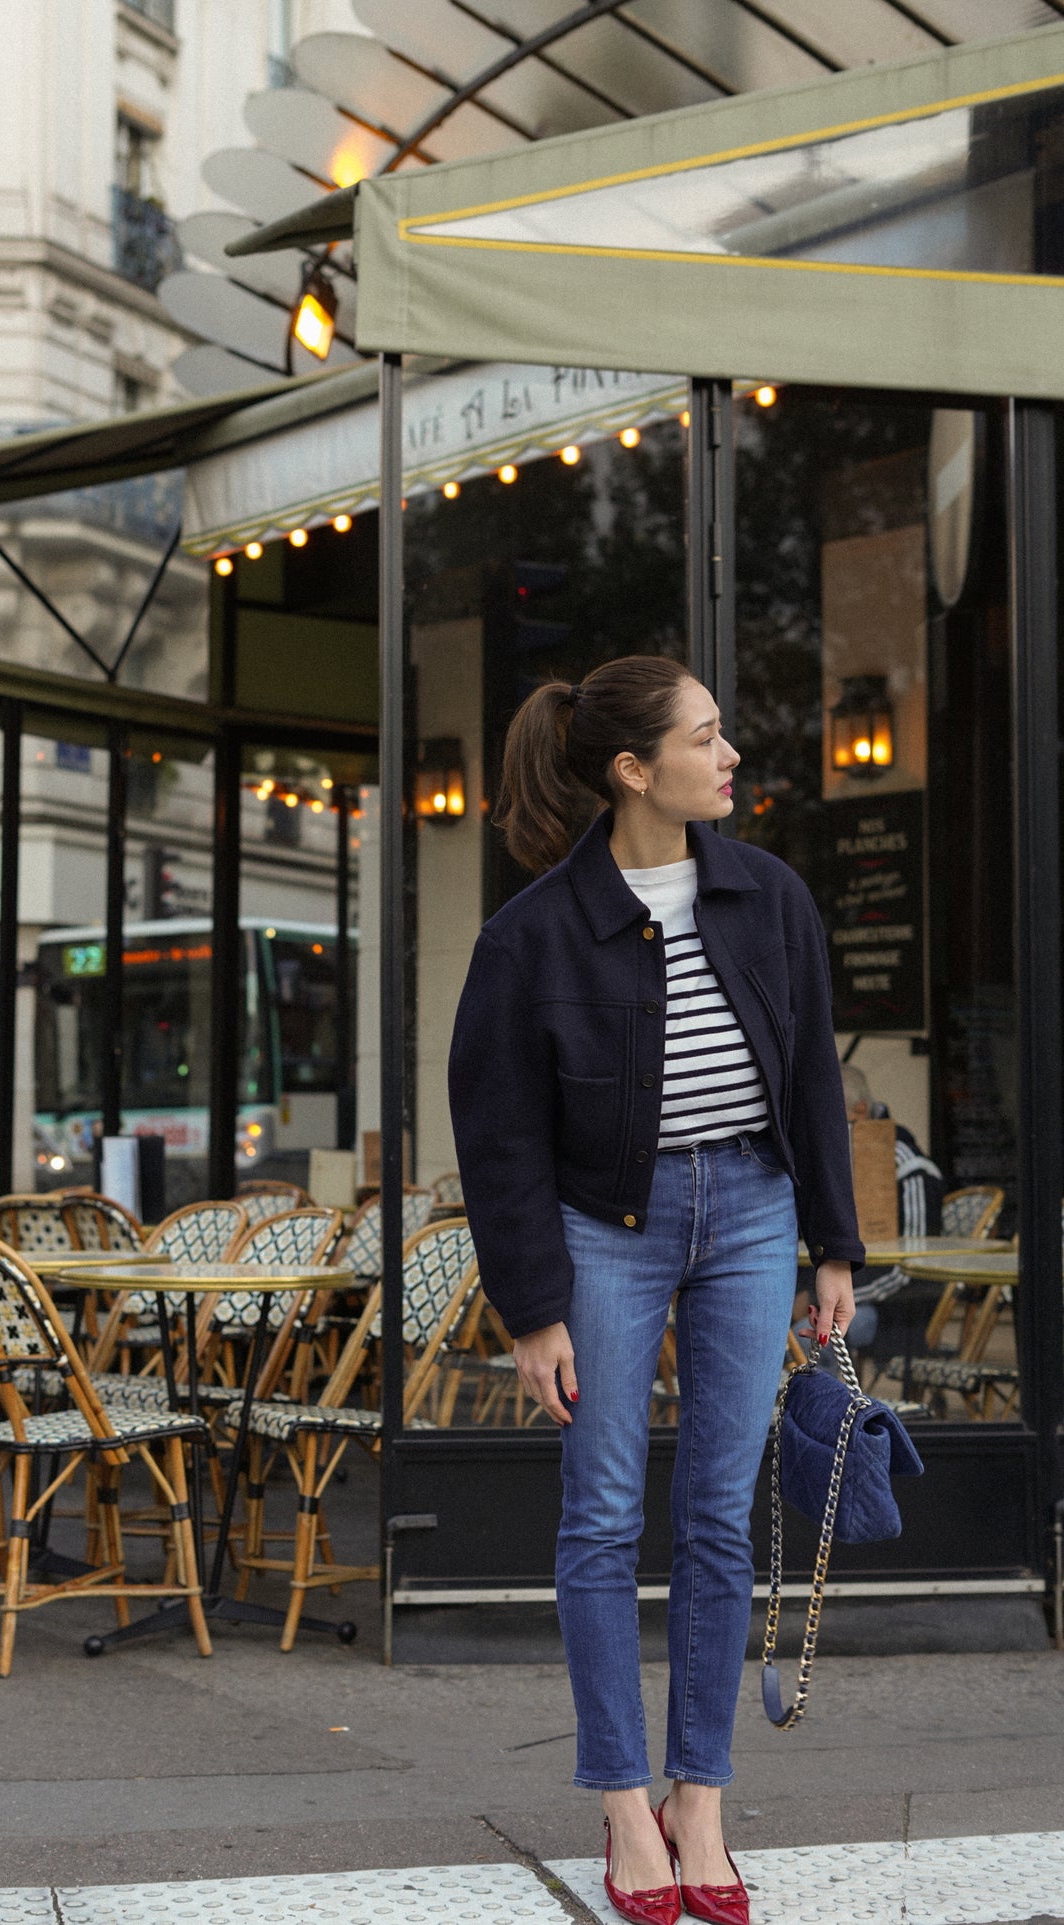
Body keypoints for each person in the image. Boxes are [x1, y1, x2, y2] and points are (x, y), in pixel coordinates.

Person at [448, 657, 863, 1925]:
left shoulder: (767, 895)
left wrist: (831, 1246)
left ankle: (702, 1797)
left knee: (717, 1517)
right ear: (633, 768)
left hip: (747, 1211)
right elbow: (497, 1128)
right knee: (601, 1510)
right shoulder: (529, 932)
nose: (728, 751)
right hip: (602, 1233)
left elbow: (807, 1086)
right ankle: (622, 1798)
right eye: (704, 735)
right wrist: (532, 1307)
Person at [792, 1065, 944, 1362]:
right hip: (832, 1292)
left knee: (806, 1342)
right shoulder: (834, 1160)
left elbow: (913, 1265)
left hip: (892, 1310)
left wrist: (823, 1297)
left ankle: (827, 1409)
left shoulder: (907, 1166)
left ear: (860, 1110)